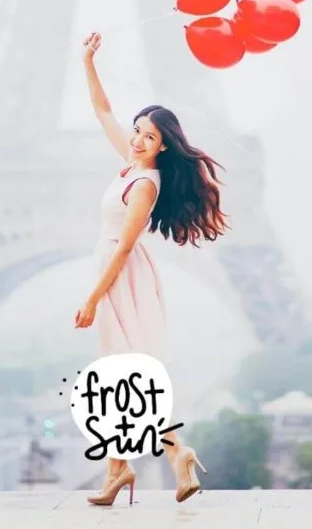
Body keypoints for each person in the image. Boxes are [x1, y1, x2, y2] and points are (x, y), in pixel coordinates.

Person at [76, 31, 229, 505]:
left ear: (164, 146)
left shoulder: (144, 184)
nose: (138, 139)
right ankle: (140, 467)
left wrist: (92, 298)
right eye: (138, 130)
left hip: (122, 279)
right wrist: (88, 63)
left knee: (124, 377)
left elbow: (123, 250)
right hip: (115, 272)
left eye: (149, 136)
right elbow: (103, 111)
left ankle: (155, 460)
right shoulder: (131, 163)